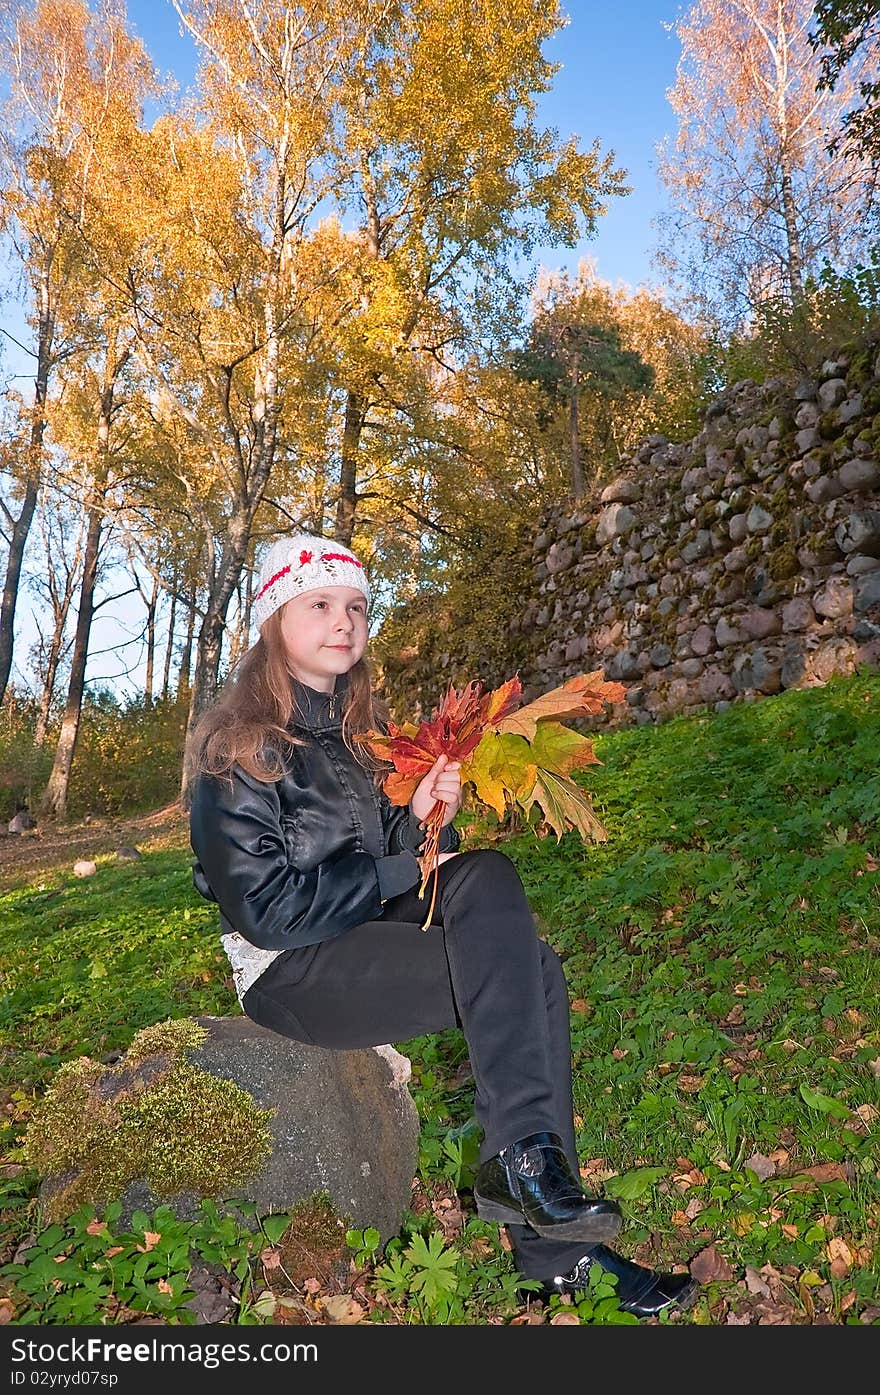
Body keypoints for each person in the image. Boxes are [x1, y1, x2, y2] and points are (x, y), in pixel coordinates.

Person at [187, 533, 698, 1318]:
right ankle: (542, 1205)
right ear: (273, 622)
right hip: (292, 972)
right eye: (321, 604)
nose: (345, 620)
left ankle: (530, 1178)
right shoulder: (236, 753)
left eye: (356, 606)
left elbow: (408, 872)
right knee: (533, 969)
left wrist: (429, 822)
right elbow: (273, 910)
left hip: (364, 938)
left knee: (499, 895)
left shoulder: (366, 740)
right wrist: (402, 867)